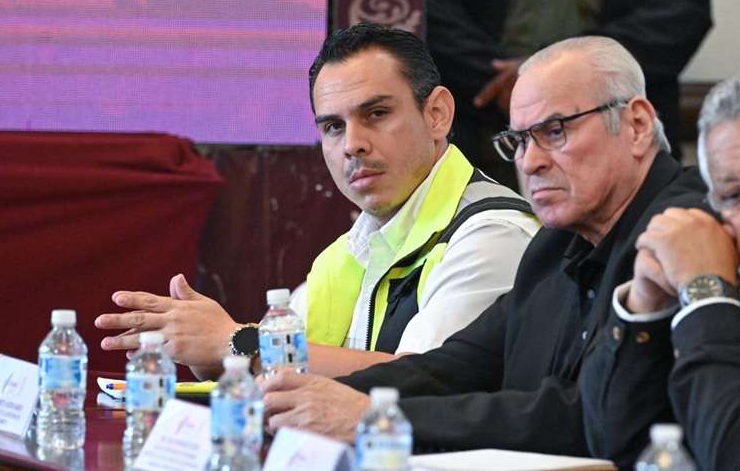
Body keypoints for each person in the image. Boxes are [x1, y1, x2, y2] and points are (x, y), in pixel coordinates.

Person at [258, 35, 709, 465]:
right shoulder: (555, 245)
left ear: (637, 125)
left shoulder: (687, 231)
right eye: (520, 140)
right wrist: (316, 399)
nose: (529, 162)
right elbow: (454, 368)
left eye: (554, 132)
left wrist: (372, 416)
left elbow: (587, 415)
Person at [95, 22, 539, 379]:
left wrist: (237, 343)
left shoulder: (492, 235)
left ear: (437, 114)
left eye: (376, 114)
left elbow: (425, 382)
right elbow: (274, 359)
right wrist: (206, 351)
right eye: (333, 127)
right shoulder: (352, 250)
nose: (352, 144)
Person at [427, 0, 712, 190]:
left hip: (620, 140)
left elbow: (684, 11)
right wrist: (515, 82)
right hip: (479, 137)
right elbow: (429, 11)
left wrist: (556, 77)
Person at [579, 72, 740, 470]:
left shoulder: (712, 295)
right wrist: (646, 308)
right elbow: (613, 447)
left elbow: (734, 458)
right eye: (734, 196)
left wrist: (707, 296)